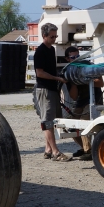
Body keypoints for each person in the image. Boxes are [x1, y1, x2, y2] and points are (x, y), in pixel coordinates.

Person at [34, 23, 72, 162]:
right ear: (44, 36)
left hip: (52, 89)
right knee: (47, 121)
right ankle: (56, 152)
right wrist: (57, 78)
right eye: (52, 36)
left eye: (55, 36)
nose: (54, 39)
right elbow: (40, 73)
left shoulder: (51, 50)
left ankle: (48, 149)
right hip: (44, 89)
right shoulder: (40, 51)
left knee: (53, 120)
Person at [63, 46, 104, 159]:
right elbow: (73, 96)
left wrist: (85, 80)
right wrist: (75, 81)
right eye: (73, 57)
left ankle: (89, 151)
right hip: (81, 101)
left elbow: (100, 83)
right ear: (67, 59)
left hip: (95, 99)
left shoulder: (89, 66)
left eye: (78, 56)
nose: (76, 59)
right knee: (70, 123)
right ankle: (85, 147)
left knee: (83, 122)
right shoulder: (69, 71)